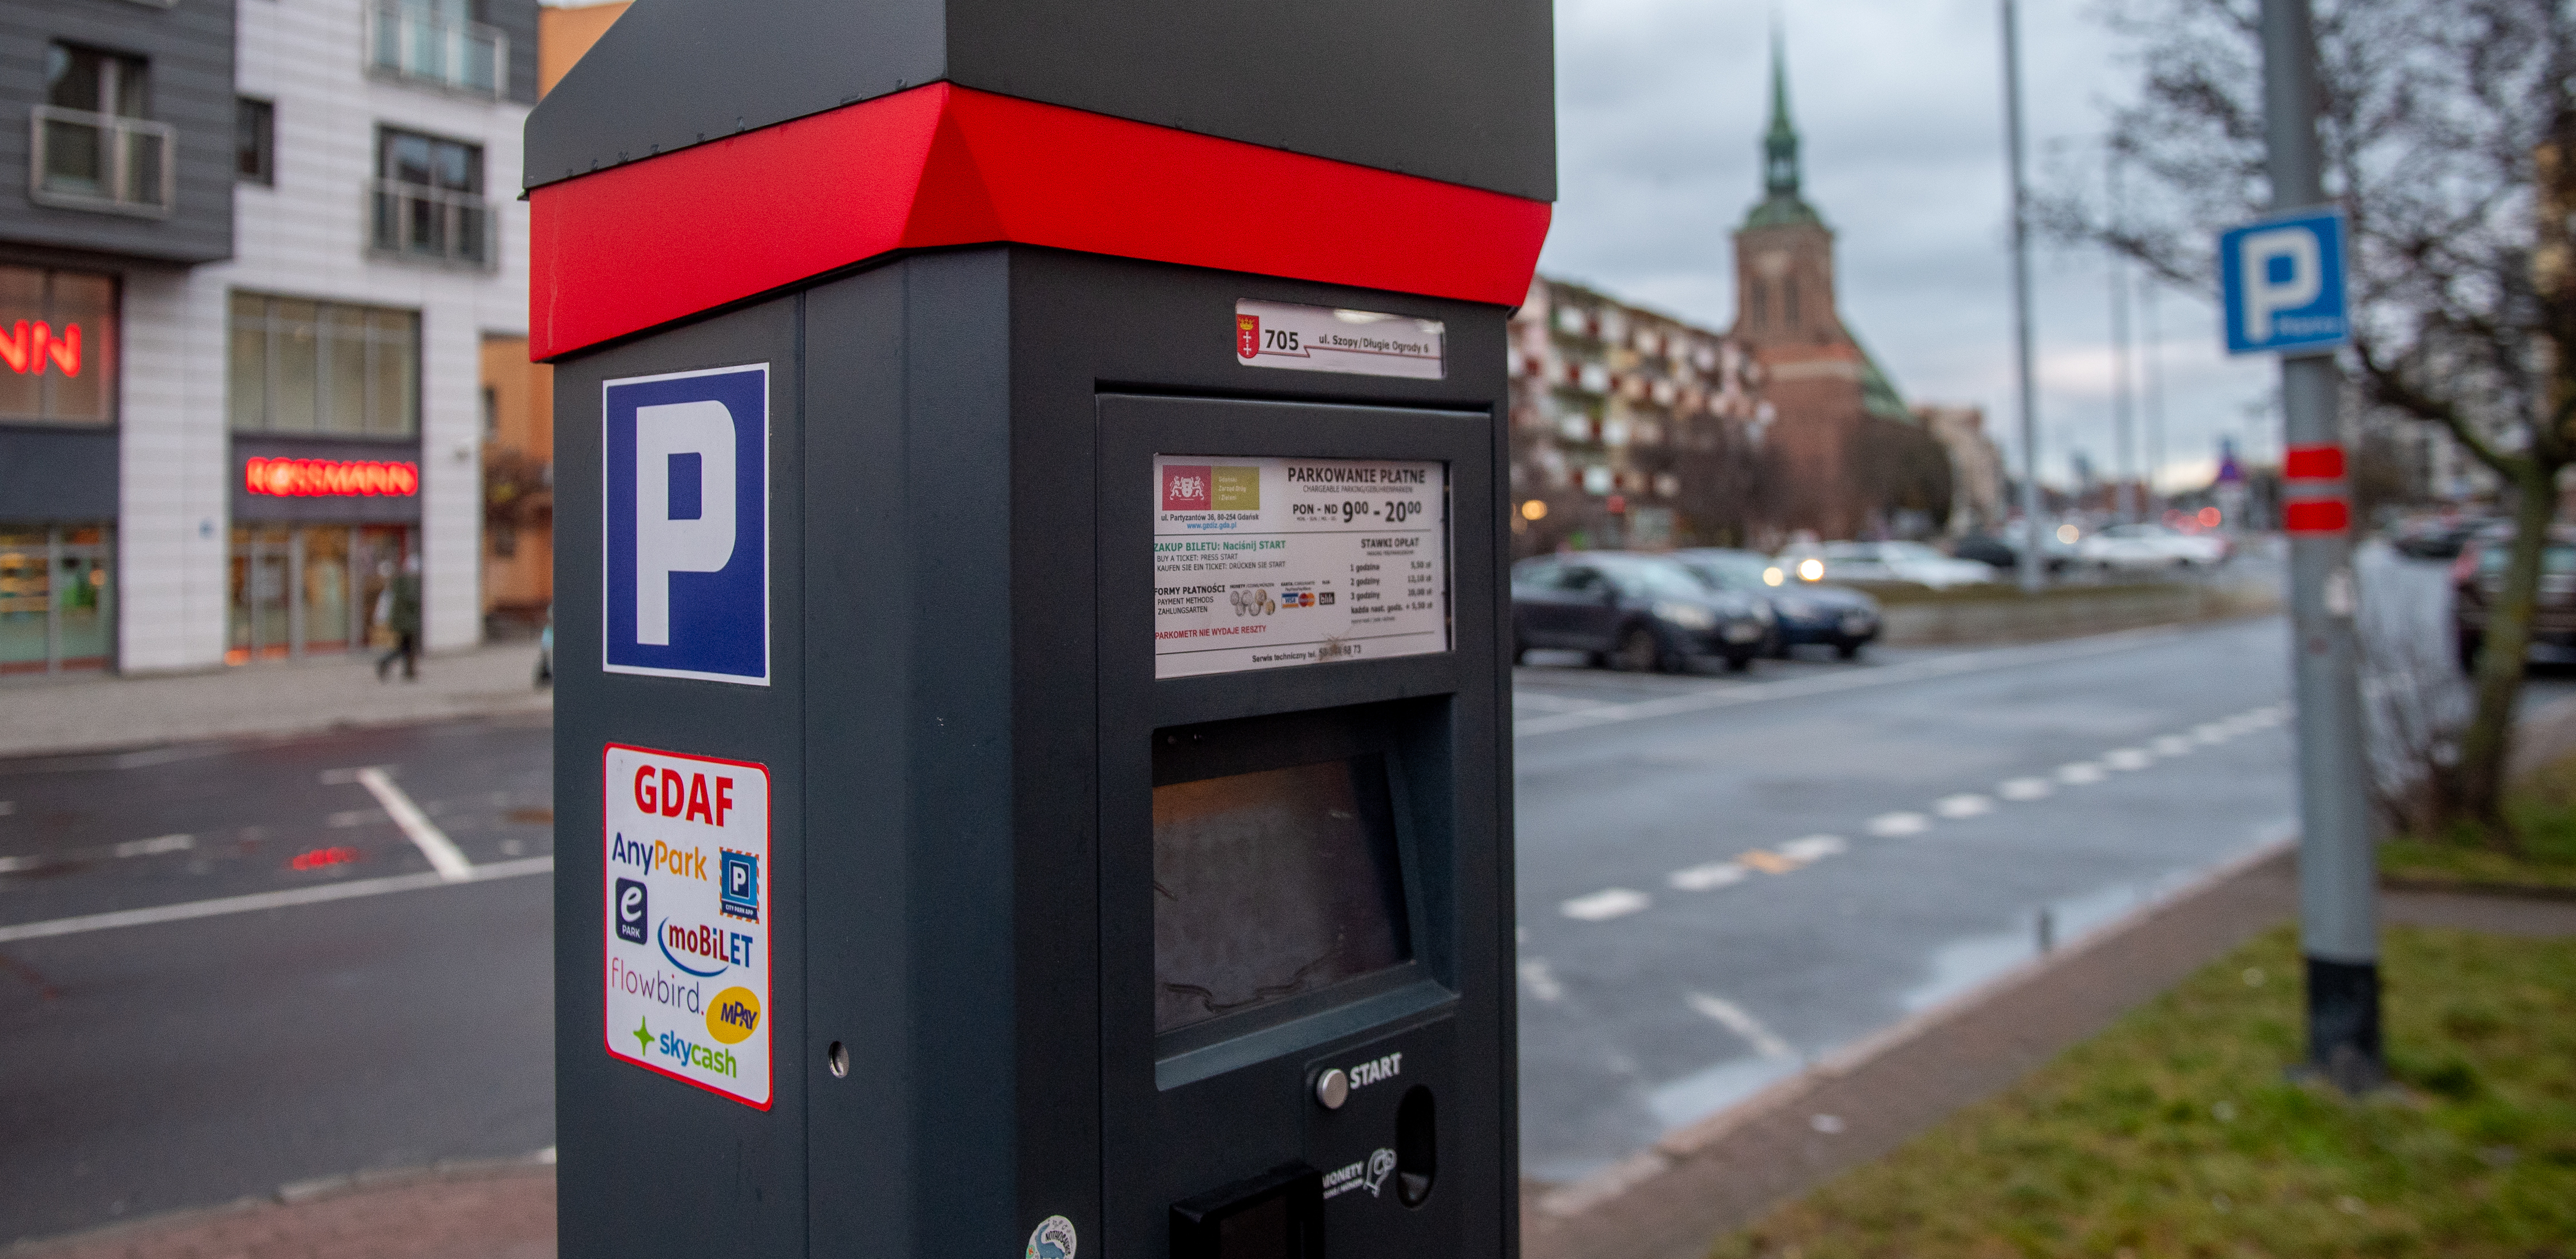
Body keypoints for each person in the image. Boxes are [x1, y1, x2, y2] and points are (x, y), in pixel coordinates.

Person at [376, 555, 422, 682]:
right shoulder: (407, 583)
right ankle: (386, 662)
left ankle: (409, 671)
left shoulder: (401, 582)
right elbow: (410, 602)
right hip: (406, 622)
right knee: (404, 647)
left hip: (403, 621)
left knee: (406, 647)